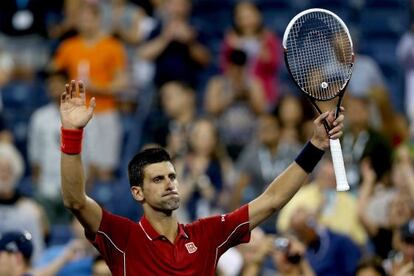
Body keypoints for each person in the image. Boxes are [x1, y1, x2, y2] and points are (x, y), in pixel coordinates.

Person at [59, 80, 344, 275]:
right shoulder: (123, 237)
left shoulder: (207, 234)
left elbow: (271, 200)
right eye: (157, 179)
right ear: (137, 193)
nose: (170, 182)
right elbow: (75, 201)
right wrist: (72, 134)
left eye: (172, 176)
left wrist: (315, 146)